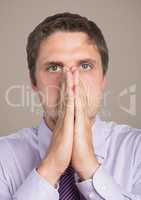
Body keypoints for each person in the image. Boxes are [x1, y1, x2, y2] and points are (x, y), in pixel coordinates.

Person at [0, 12, 141, 200]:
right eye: (54, 68)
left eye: (85, 66)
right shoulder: (3, 157)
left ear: (103, 78)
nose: (70, 82)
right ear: (34, 81)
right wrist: (51, 167)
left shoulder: (136, 150)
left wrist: (89, 167)